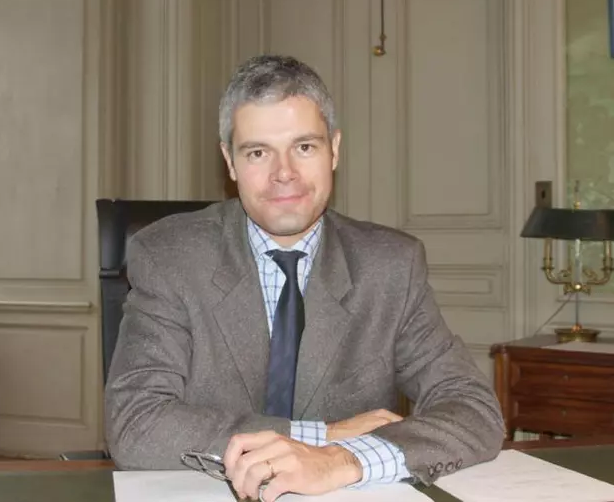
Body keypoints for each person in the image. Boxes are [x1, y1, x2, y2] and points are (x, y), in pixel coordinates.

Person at [105, 54, 504, 501]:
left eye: (305, 147)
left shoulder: (391, 265)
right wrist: (320, 436)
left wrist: (344, 461)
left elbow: (474, 411)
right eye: (258, 152)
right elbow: (135, 421)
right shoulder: (169, 257)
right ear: (230, 162)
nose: (284, 174)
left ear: (335, 149)